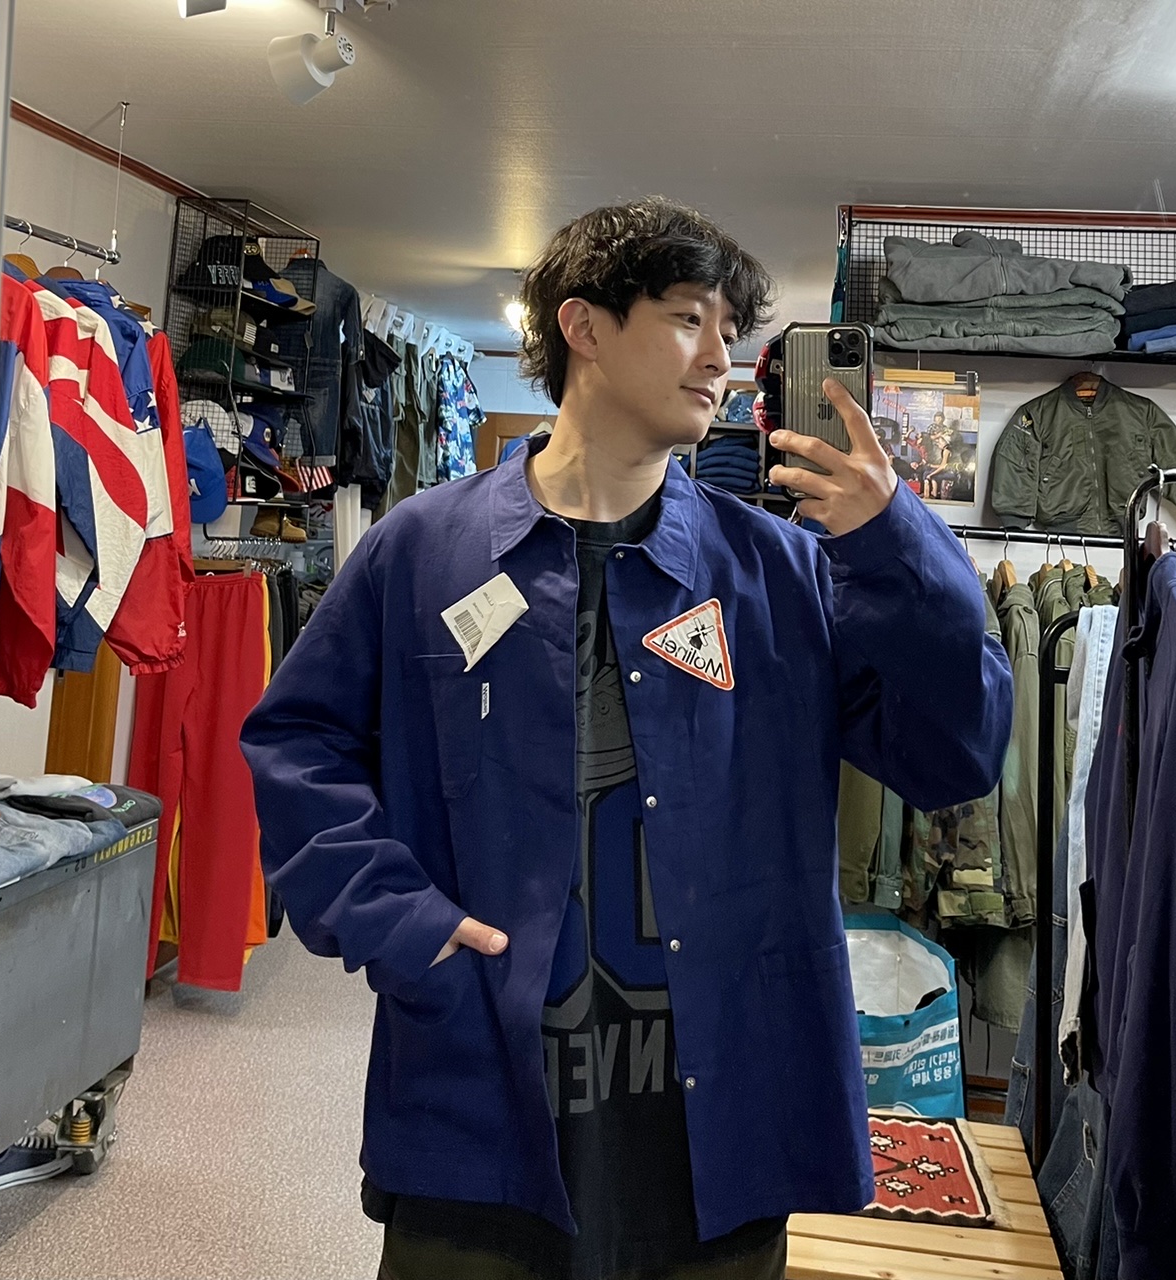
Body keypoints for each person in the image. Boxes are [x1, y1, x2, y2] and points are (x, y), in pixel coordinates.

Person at [240, 197, 1012, 1280]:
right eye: (689, 318)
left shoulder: (781, 575)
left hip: (721, 1126)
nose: (721, 358)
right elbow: (298, 746)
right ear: (584, 326)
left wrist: (902, 552)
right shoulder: (424, 551)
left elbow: (952, 754)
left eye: (729, 331)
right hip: (479, 1099)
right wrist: (400, 919)